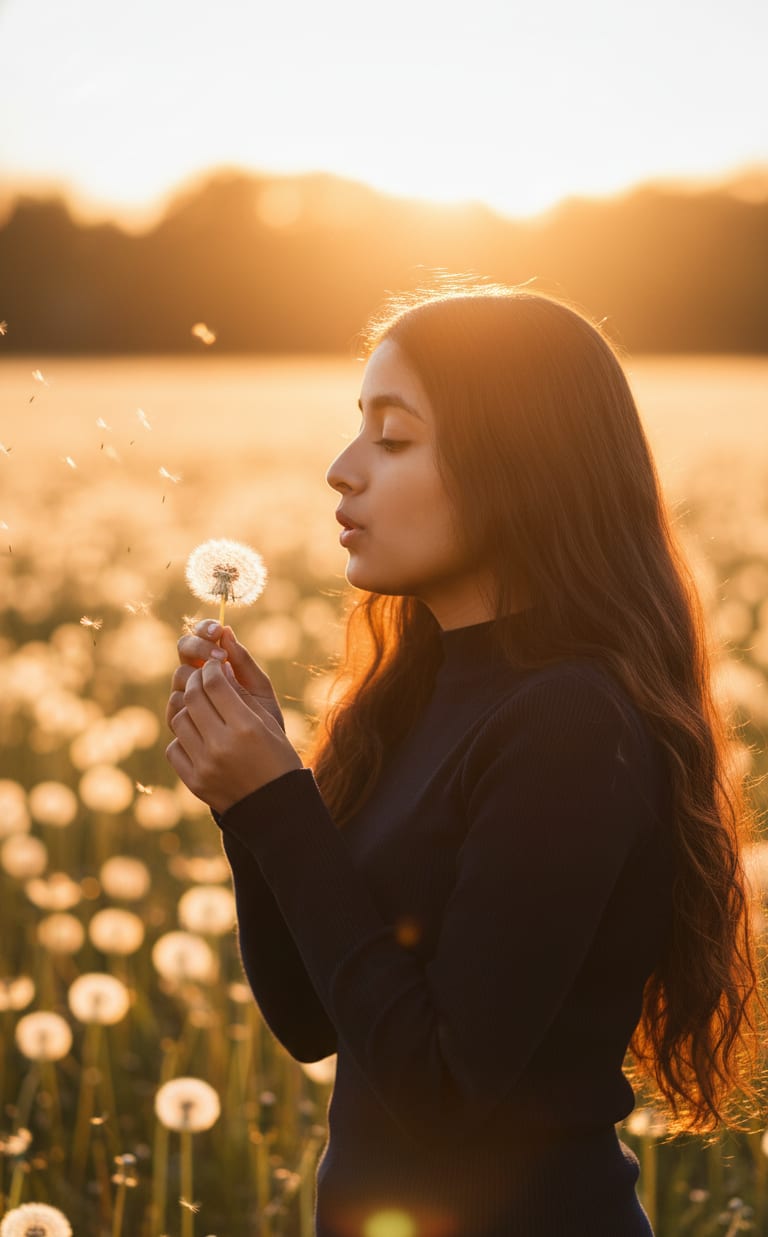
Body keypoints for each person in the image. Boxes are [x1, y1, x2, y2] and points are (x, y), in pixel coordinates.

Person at [165, 284, 761, 1237]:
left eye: (393, 439)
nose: (341, 469)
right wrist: (252, 798)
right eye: (356, 430)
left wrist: (278, 800)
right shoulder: (410, 696)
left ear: (520, 465)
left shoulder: (570, 723)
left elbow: (440, 1088)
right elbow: (315, 1019)